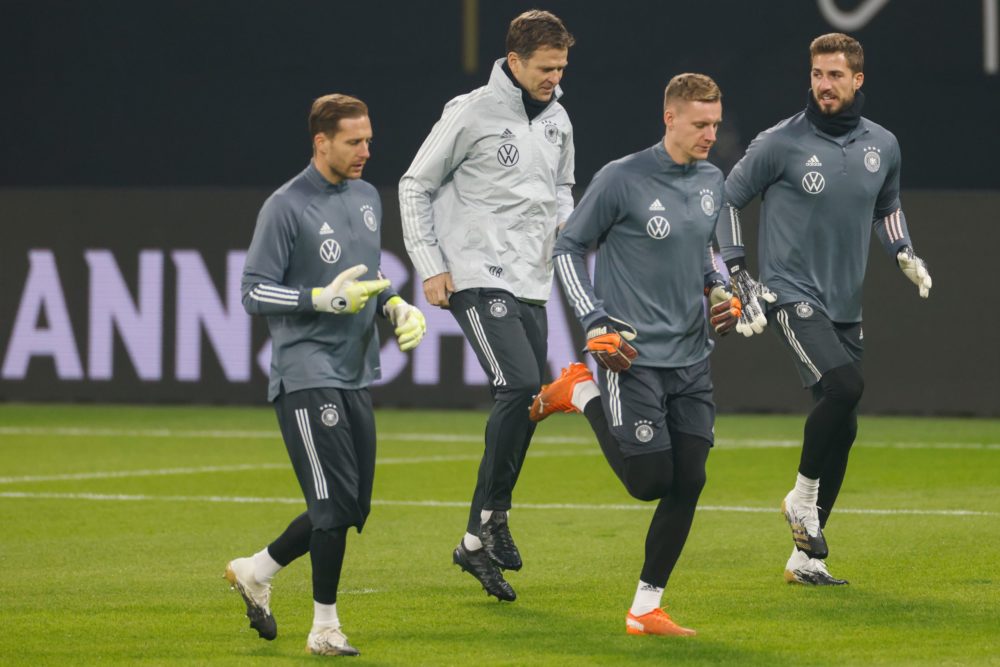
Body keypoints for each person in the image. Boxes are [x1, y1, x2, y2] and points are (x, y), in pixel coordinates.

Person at [718, 33, 933, 586]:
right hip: (791, 293)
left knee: (844, 427)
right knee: (845, 389)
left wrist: (903, 251)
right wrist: (739, 267)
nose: (824, 85)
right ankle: (801, 499)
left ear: (858, 80)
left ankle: (805, 559)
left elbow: (887, 206)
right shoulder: (779, 143)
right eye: (817, 74)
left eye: (835, 75)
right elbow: (727, 198)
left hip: (845, 302)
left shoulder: (882, 144)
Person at [531, 73, 741, 637]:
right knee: (650, 482)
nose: (709, 135)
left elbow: (706, 253)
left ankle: (645, 609)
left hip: (692, 357)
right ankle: (580, 390)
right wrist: (596, 318)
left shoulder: (712, 180)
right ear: (669, 117)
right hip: (632, 356)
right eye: (700, 124)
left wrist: (721, 291)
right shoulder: (621, 179)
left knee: (690, 480)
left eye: (716, 125)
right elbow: (569, 249)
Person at [225, 93, 427, 656]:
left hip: (356, 369)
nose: (367, 150)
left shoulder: (366, 197)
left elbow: (372, 273)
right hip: (305, 371)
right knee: (334, 505)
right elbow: (251, 291)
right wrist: (319, 298)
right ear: (321, 142)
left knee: (351, 508)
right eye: (353, 141)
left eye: (369, 139)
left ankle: (257, 570)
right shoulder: (285, 206)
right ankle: (324, 627)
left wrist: (394, 306)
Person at [398, 10, 575, 602]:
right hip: (476, 271)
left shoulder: (558, 121)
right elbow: (415, 183)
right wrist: (431, 264)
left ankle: (476, 540)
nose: (555, 77)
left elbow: (562, 190)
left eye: (561, 67)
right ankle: (493, 516)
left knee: (527, 402)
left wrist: (568, 238)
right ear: (517, 61)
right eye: (546, 68)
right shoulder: (471, 112)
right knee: (520, 385)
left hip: (531, 278)